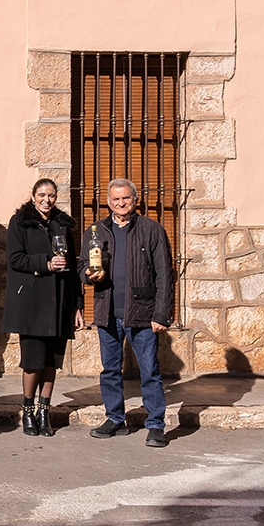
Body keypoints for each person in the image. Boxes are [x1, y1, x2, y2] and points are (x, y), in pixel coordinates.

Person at [81, 178, 175, 448]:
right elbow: (82, 266)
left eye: (126, 199)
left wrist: (161, 314)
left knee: (149, 371)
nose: (120, 203)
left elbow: (164, 276)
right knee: (110, 370)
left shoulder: (152, 229)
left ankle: (155, 424)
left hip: (143, 314)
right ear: (108, 201)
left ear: (135, 200)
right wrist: (88, 275)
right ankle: (114, 419)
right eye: (115, 199)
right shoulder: (96, 231)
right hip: (107, 312)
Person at [1, 179, 84, 437]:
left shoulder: (63, 225)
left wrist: (77, 306)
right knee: (33, 361)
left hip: (59, 301)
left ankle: (44, 410)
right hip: (32, 302)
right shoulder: (20, 222)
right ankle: (27, 410)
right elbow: (15, 259)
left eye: (51, 195)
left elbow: (72, 268)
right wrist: (46, 263)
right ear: (33, 196)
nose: (46, 200)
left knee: (51, 362)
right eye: (41, 195)